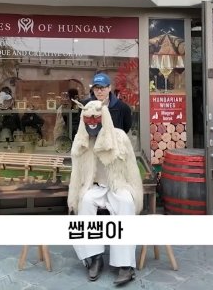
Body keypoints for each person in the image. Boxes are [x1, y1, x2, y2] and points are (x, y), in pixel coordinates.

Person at [68, 99, 143, 286]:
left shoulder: (120, 137)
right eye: (89, 118)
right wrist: (73, 199)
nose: (92, 122)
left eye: (96, 117)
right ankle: (94, 257)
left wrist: (136, 195)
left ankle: (125, 264)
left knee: (126, 203)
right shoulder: (81, 141)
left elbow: (132, 169)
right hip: (94, 186)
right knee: (85, 202)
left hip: (118, 185)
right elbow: (76, 173)